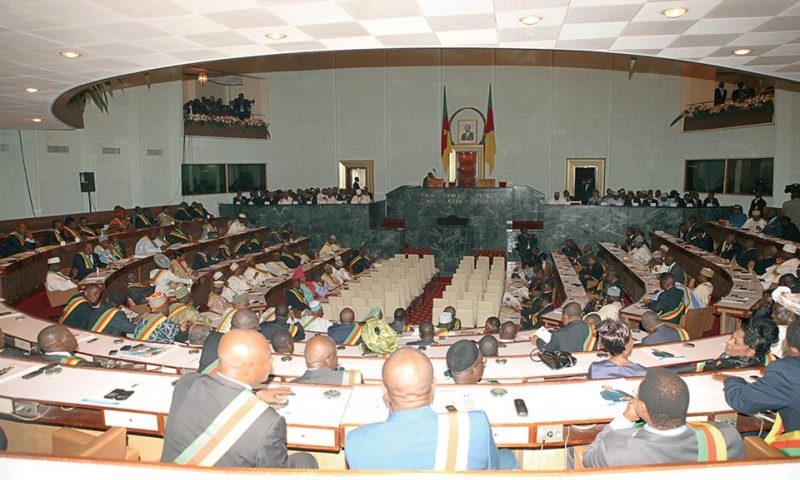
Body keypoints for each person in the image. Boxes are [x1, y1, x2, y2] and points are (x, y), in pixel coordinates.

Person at [162, 330, 317, 468]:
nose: (271, 363)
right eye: (268, 358)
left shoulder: (187, 382)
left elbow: (216, 403)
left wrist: (255, 397)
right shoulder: (269, 423)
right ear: (249, 368)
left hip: (171, 474)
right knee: (305, 460)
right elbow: (273, 474)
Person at [345, 348, 517, 470]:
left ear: (384, 389)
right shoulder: (474, 425)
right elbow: (493, 468)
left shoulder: (356, 441)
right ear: (434, 385)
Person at [580, 368, 743, 467]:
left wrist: (624, 419)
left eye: (636, 395)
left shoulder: (616, 449)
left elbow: (588, 458)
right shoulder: (726, 436)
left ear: (642, 408)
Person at [723, 320, 800, 436]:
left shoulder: (785, 371)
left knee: (733, 437)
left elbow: (742, 401)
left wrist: (731, 380)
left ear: (794, 348)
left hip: (794, 448)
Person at [698, 319, 779, 372]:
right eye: (732, 337)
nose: (728, 342)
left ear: (751, 351)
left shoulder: (725, 368)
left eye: (735, 342)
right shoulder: (771, 359)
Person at [198, 308, 260, 373]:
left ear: (231, 327)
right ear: (253, 330)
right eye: (258, 328)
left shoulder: (212, 337)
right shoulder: (251, 351)